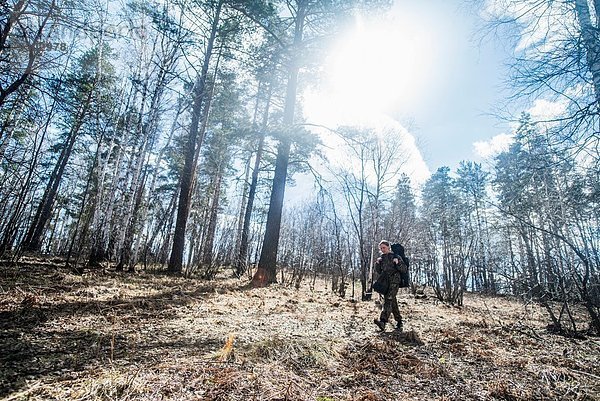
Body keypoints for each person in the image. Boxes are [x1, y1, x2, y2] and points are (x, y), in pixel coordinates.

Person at [373, 240, 405, 331]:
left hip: (395, 281)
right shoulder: (381, 258)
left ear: (388, 247)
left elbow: (404, 269)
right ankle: (399, 321)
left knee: (388, 299)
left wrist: (397, 262)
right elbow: (379, 272)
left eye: (384, 247)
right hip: (386, 283)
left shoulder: (395, 256)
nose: (382, 250)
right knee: (392, 301)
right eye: (381, 248)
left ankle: (383, 321)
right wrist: (377, 264)